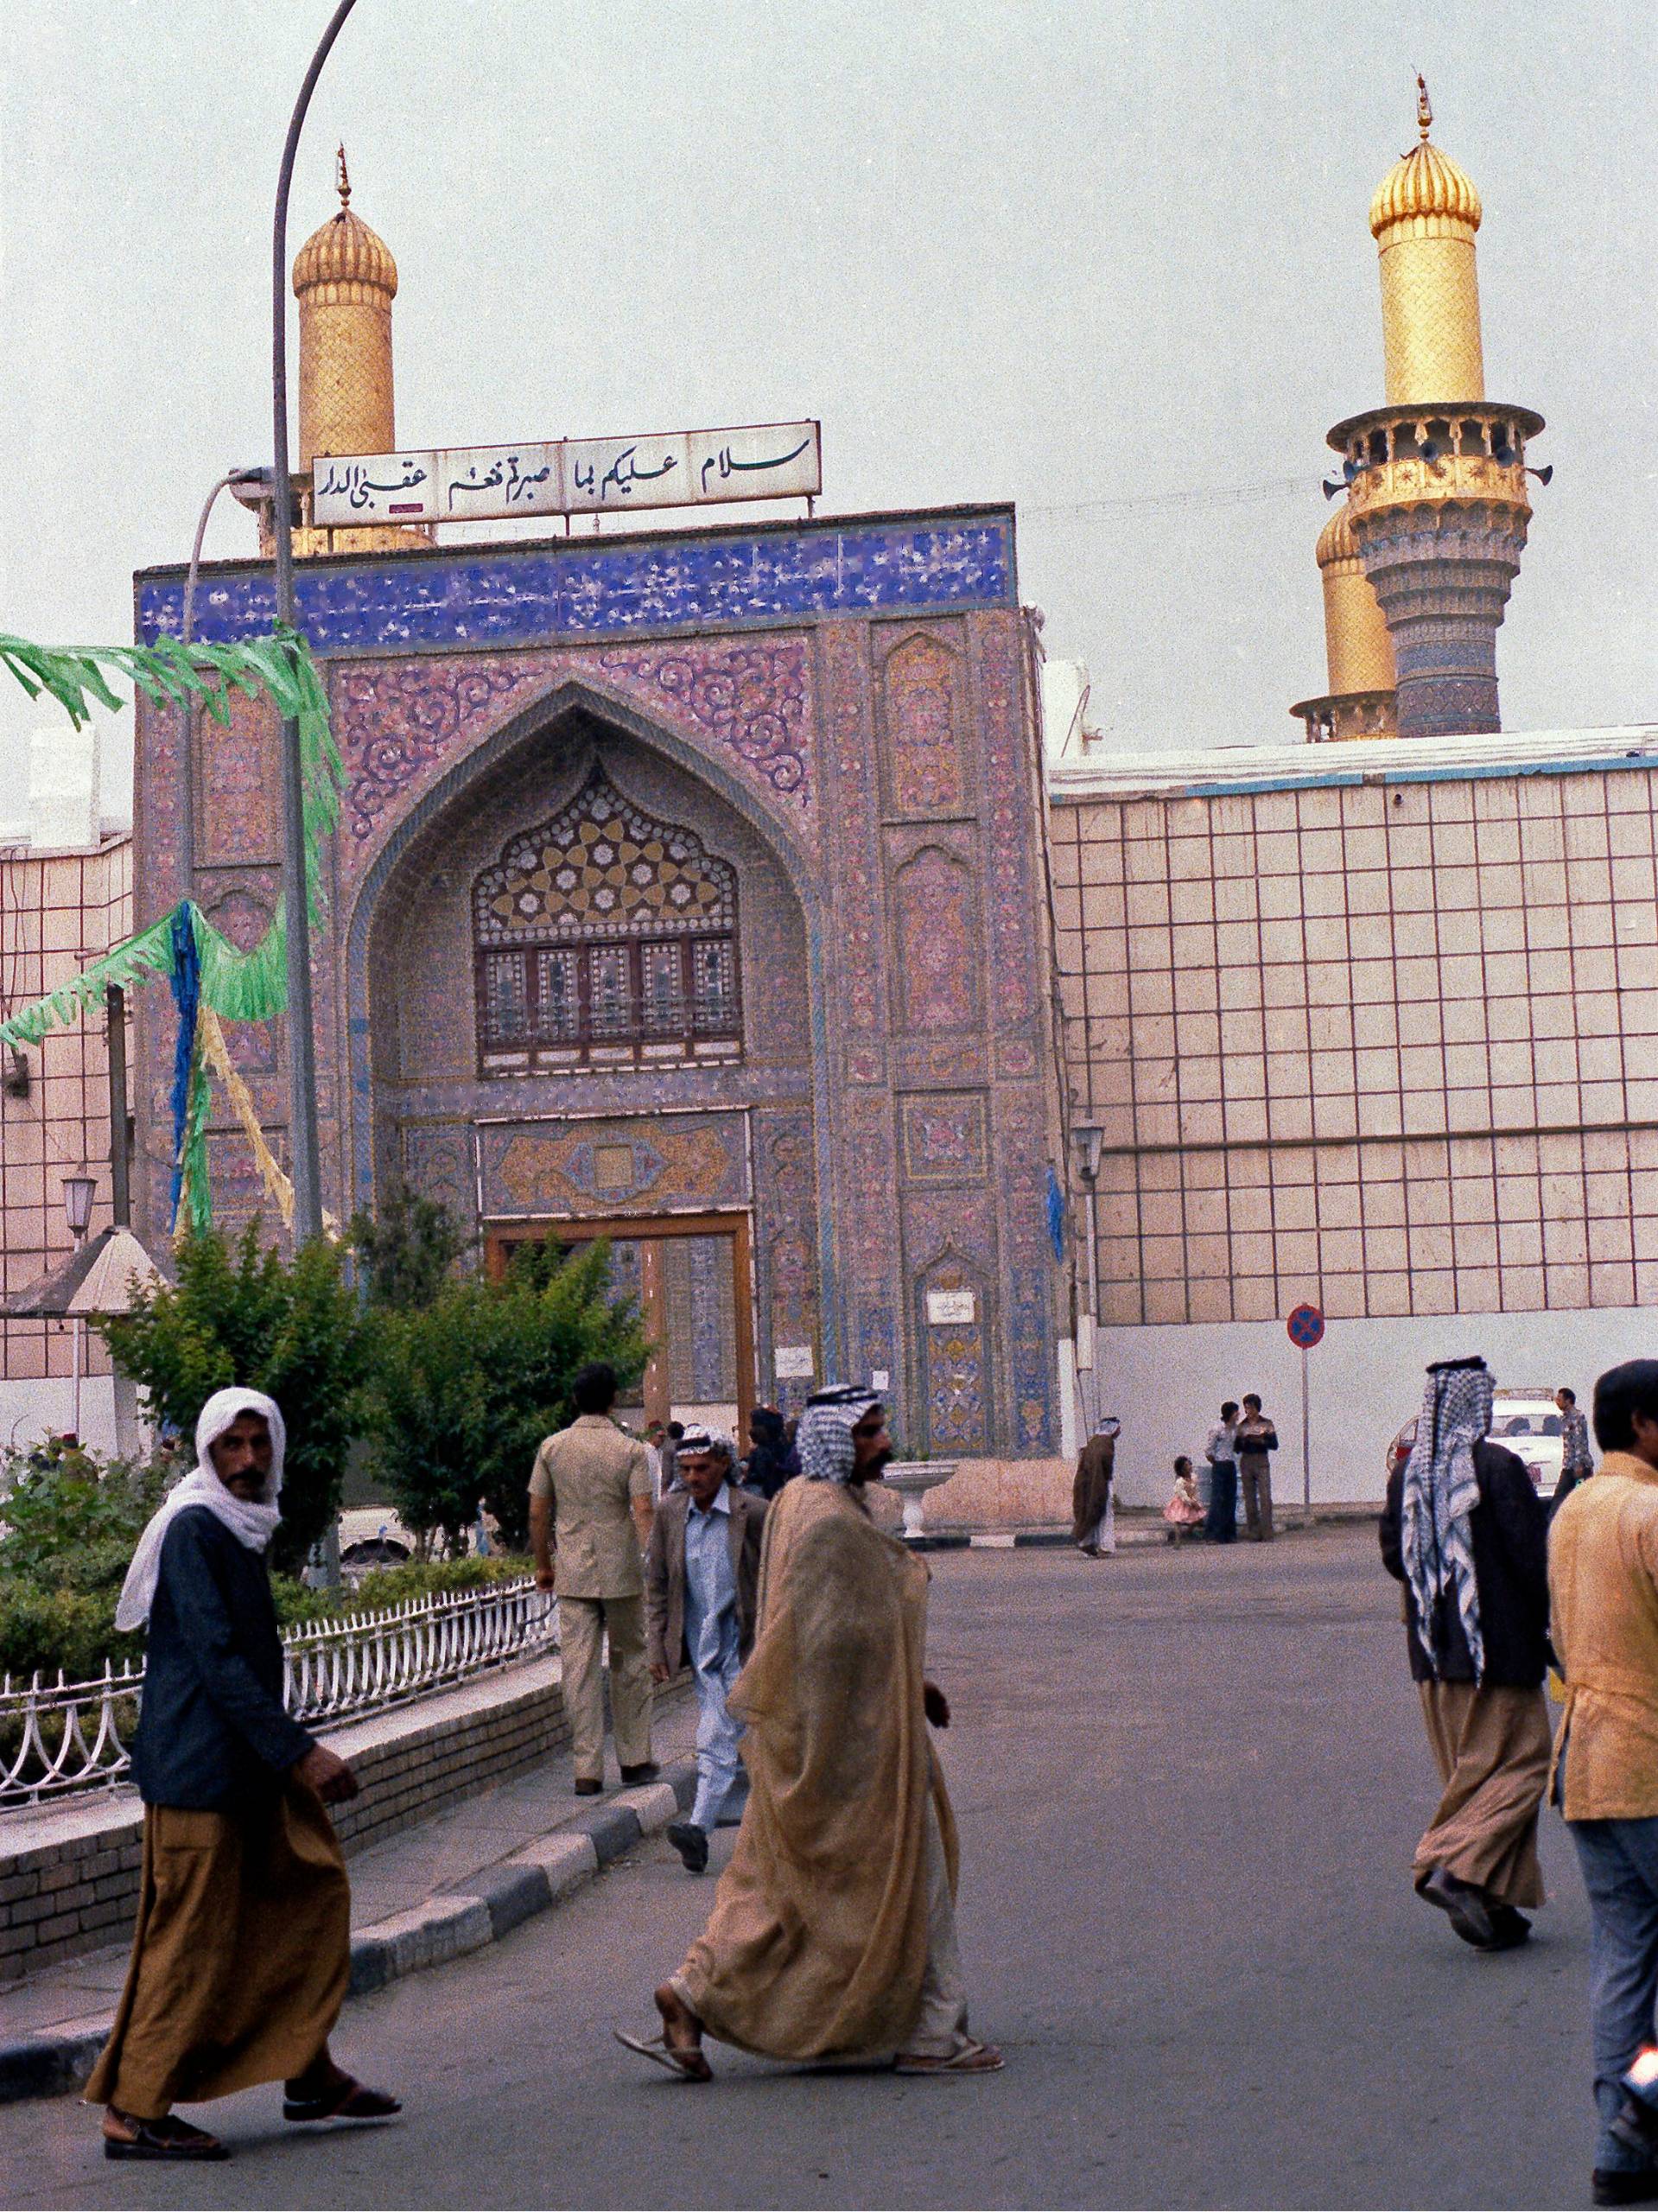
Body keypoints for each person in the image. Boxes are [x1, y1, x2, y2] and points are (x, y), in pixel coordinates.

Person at [615, 1384, 1001, 2082]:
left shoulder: (798, 1502)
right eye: (869, 1433)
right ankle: (932, 2033)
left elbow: (841, 1625)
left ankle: (691, 1993)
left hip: (826, 1734)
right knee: (918, 1877)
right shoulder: (829, 1523)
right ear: (835, 1441)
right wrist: (896, 1684)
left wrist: (909, 1683)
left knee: (778, 1892)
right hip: (849, 1744)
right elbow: (829, 1639)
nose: (883, 1444)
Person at [85, 1389, 398, 2162]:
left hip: (243, 1767)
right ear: (206, 1453)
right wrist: (300, 1752)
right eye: (232, 1446)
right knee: (186, 1942)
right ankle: (134, 2109)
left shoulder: (238, 1527)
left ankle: (308, 2073)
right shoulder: (195, 1528)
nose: (249, 1461)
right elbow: (217, 1659)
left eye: (260, 1444)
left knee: (301, 1899)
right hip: (200, 1773)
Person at [1378, 1355, 1550, 1955]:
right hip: (1495, 1658)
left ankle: (1493, 1906)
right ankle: (1448, 1866)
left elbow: (1395, 1560)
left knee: (1470, 1777)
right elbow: (1534, 1561)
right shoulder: (1496, 1467)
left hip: (1431, 1658)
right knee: (1524, 1767)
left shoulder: (1406, 1477)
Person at [1547, 1359, 1658, 2206]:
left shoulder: (1574, 1510)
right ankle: (1642, 2113)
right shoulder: (1649, 1511)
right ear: (1643, 1426)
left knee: (1622, 1958)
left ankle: (1616, 2147)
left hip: (1584, 1763)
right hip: (1649, 1760)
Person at [529, 1362, 658, 1795]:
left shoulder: (552, 1448)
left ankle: (587, 1769)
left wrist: (544, 1564)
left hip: (573, 1574)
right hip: (621, 1572)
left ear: (574, 1400)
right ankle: (635, 1758)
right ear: (613, 1399)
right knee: (629, 1663)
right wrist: (650, 1562)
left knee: (578, 1670)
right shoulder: (631, 1450)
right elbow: (642, 1510)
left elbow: (537, 1510)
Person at [645, 1427, 768, 1873]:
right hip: (698, 1645)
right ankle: (764, 1824)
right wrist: (657, 1645)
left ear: (723, 1466)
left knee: (717, 1730)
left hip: (743, 1643)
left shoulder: (751, 1512)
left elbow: (777, 1572)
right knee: (734, 1738)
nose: (694, 1477)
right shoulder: (669, 1515)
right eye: (686, 1469)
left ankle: (697, 1827)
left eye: (703, 1468)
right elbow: (656, 1583)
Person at [1070, 1416, 1120, 1557]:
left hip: (1087, 1482)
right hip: (1099, 1482)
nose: (1119, 1431)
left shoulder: (1095, 1442)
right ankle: (1105, 1546)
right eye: (1118, 1428)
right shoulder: (1105, 1444)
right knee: (1104, 1514)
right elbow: (1101, 1467)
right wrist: (1101, 1484)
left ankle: (1086, 1542)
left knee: (1089, 1510)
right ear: (1113, 1428)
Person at [1235, 1394, 1279, 1541]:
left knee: (1265, 1497)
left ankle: (1267, 1531)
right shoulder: (1242, 1426)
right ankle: (1253, 1531)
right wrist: (1244, 1441)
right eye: (1246, 1408)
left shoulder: (1267, 1424)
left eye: (1251, 1407)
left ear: (1257, 1408)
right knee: (1250, 1498)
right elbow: (1236, 1448)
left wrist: (1261, 1441)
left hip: (1261, 1459)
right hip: (1247, 1460)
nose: (1249, 1411)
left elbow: (1274, 1444)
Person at [1552, 1385, 1597, 1516]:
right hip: (1568, 1465)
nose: (1557, 1402)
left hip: (1579, 1467)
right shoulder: (1564, 1418)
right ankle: (1552, 1526)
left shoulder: (1577, 1417)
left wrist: (1578, 1465)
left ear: (1568, 1401)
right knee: (1559, 1497)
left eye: (1560, 1399)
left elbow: (1579, 1441)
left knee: (1583, 1495)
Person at [741, 1406, 799, 1500]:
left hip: (765, 1492)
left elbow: (761, 1473)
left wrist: (747, 1475)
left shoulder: (762, 1450)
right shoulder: (783, 1442)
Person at [1204, 1402, 1240, 1543]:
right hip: (1220, 1464)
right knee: (1218, 1500)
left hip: (1231, 1464)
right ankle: (1213, 1534)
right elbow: (1209, 1450)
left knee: (1231, 1499)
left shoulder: (1235, 1430)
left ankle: (1228, 1533)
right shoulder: (1217, 1429)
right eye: (1236, 1412)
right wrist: (1216, 1463)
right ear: (1230, 1413)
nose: (1238, 1415)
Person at [1164, 1456, 1205, 1542]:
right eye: (1187, 1465)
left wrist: (1195, 1501)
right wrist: (1191, 1502)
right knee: (1178, 1519)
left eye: (1189, 1464)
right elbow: (1182, 1495)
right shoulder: (1180, 1481)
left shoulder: (1193, 1477)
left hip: (1190, 1500)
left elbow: (1193, 1491)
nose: (1190, 1466)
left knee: (1199, 1516)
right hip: (1181, 1502)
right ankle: (1178, 1538)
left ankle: (1188, 1533)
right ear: (1182, 1469)